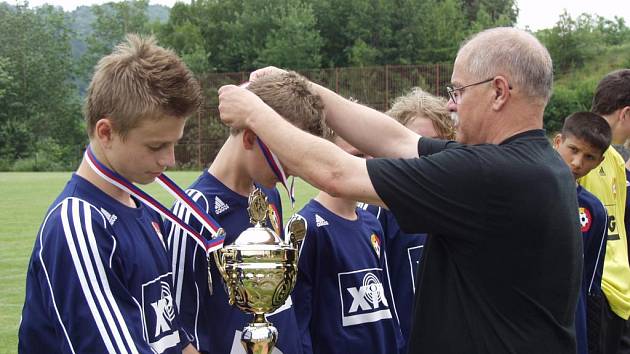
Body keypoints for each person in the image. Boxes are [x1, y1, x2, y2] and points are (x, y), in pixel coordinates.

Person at [217, 27, 581, 353]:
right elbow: (398, 139)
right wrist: (303, 87)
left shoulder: (491, 176)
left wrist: (254, 112)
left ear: (498, 91)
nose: (452, 103)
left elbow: (337, 172)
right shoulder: (535, 165)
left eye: (458, 90)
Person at [18, 35, 201, 354]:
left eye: (175, 144)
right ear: (106, 133)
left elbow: (171, 337)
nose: (169, 160)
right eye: (156, 146)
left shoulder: (147, 210)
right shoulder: (79, 224)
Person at [166, 71, 325, 354]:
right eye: (285, 158)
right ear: (251, 139)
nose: (290, 172)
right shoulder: (192, 213)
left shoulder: (268, 197)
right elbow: (175, 332)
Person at [360, 87, 454, 353]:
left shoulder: (460, 205)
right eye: (412, 144)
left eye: (433, 144)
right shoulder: (378, 214)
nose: (422, 155)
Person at [291, 131, 402, 354]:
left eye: (370, 156)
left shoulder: (372, 223)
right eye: (355, 156)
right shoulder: (306, 228)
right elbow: (296, 322)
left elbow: (384, 306)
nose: (365, 166)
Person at [578, 69, 630, 354]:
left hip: (622, 294)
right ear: (625, 113)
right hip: (596, 292)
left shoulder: (617, 162)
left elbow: (619, 227)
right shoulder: (580, 156)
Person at [553, 112, 611, 354]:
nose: (577, 162)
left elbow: (591, 283)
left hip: (570, 319)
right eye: (573, 150)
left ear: (599, 162)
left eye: (589, 157)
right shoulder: (525, 192)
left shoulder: (594, 211)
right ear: (557, 142)